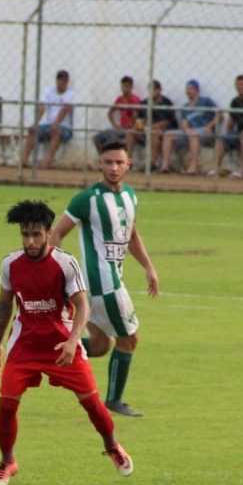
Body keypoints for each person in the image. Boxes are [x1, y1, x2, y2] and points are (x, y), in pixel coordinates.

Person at [0, 199, 134, 485]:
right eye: (25, 235)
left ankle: (113, 446)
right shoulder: (10, 264)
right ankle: (8, 462)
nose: (30, 241)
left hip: (61, 344)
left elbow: (82, 306)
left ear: (47, 232)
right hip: (25, 345)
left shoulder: (65, 263)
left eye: (36, 234)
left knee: (92, 404)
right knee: (6, 405)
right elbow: (4, 306)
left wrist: (71, 341)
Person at [50, 138, 161, 417]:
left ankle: (50, 357)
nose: (113, 168)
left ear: (128, 165)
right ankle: (113, 401)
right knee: (130, 340)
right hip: (103, 284)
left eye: (119, 162)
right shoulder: (87, 199)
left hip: (108, 282)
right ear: (99, 164)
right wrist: (60, 272)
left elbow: (131, 234)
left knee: (99, 347)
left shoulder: (130, 196)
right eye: (108, 162)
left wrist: (148, 267)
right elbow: (56, 234)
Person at [158, 79, 218, 175]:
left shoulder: (206, 101)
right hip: (190, 131)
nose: (189, 91)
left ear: (197, 91)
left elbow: (220, 115)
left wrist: (210, 126)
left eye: (191, 89)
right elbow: (184, 122)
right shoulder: (185, 107)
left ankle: (193, 167)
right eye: (187, 89)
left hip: (204, 130)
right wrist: (186, 130)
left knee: (193, 135)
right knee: (168, 134)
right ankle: (165, 166)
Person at [210, 74, 243, 178]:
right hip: (239, 131)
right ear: (236, 86)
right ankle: (216, 167)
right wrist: (227, 134)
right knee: (221, 139)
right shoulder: (235, 101)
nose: (242, 87)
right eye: (239, 84)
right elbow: (232, 120)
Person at [22, 69, 75, 169]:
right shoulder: (49, 91)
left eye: (64, 80)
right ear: (56, 80)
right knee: (32, 130)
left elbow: (64, 110)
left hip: (64, 127)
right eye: (60, 80)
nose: (62, 82)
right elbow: (42, 108)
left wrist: (55, 124)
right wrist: (35, 123)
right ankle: (24, 161)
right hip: (49, 124)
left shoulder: (70, 93)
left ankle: (47, 163)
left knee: (55, 131)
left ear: (67, 82)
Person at [125, 79, 177, 171]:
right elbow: (140, 120)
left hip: (162, 130)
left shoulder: (166, 102)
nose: (151, 92)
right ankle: (128, 162)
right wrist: (140, 127)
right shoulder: (144, 103)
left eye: (154, 90)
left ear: (159, 90)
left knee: (154, 134)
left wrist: (151, 127)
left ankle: (151, 164)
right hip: (146, 129)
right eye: (150, 90)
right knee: (130, 132)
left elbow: (166, 121)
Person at [92, 76, 141, 151]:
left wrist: (128, 126)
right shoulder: (120, 99)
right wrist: (114, 124)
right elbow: (110, 113)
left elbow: (135, 117)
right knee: (96, 138)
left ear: (131, 87)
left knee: (118, 139)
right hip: (120, 129)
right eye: (123, 86)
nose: (124, 89)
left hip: (129, 130)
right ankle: (103, 158)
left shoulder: (134, 99)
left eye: (127, 86)